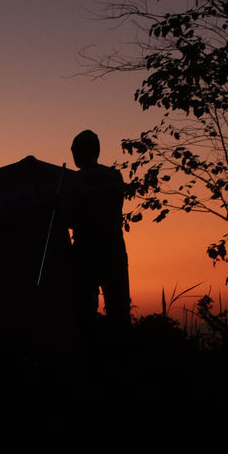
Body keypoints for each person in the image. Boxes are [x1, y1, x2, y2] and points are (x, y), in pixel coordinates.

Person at [65, 130, 131, 326]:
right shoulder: (114, 176)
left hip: (88, 251)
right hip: (112, 250)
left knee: (85, 310)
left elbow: (67, 216)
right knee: (117, 309)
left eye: (75, 151)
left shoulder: (73, 181)